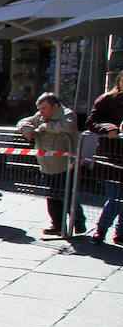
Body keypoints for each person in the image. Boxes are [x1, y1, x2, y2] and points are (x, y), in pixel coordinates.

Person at [17, 93, 86, 236]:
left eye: (44, 108)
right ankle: (57, 225)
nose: (41, 112)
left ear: (55, 106)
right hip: (46, 163)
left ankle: (78, 222)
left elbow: (68, 126)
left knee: (66, 196)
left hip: (65, 164)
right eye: (39, 108)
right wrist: (26, 129)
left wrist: (46, 127)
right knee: (53, 196)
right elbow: (23, 121)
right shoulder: (40, 116)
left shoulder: (68, 114)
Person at [85, 70, 123, 245]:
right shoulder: (106, 100)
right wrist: (109, 128)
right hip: (112, 156)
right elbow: (91, 123)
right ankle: (101, 230)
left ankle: (120, 232)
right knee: (116, 198)